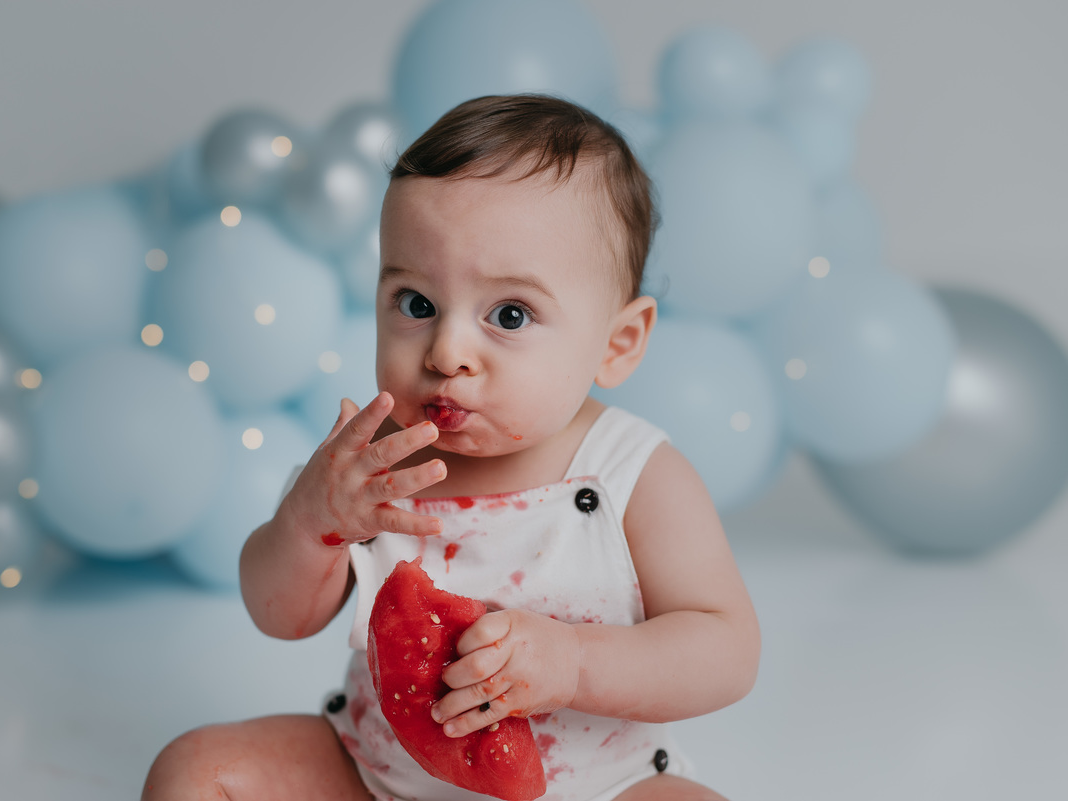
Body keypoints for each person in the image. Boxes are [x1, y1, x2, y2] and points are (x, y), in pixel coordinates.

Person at [144, 94, 760, 801]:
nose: (446, 350)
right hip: (379, 776)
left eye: (509, 314)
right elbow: (279, 613)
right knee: (195, 771)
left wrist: (576, 663)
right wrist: (311, 524)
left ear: (616, 344)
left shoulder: (632, 472)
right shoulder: (374, 465)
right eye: (415, 303)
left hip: (594, 786)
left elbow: (727, 651)